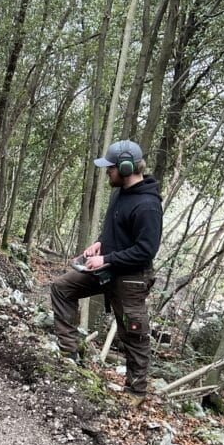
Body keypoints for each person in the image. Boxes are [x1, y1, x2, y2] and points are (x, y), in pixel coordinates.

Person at [50, 139, 163, 394]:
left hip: (131, 277)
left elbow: (146, 250)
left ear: (125, 168)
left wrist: (107, 259)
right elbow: (118, 231)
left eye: (110, 168)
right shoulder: (119, 194)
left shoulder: (148, 205)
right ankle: (70, 353)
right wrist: (100, 245)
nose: (107, 172)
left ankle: (136, 392)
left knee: (134, 334)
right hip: (107, 269)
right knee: (61, 288)